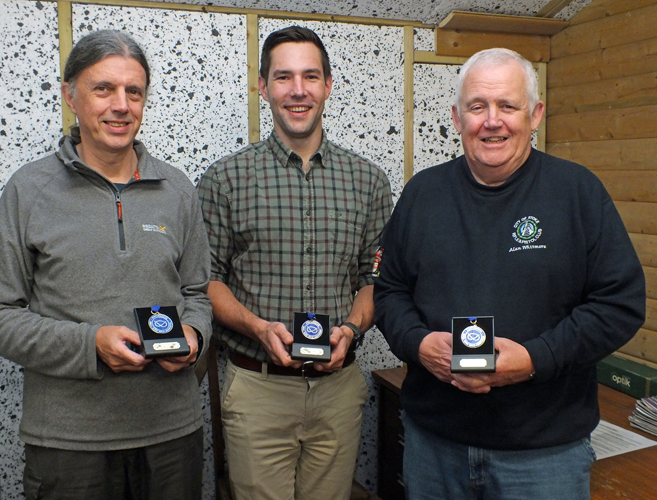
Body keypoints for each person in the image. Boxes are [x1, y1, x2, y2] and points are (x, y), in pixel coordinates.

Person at [373, 48, 646, 500]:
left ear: (535, 114)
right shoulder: (423, 193)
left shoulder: (578, 193)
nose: (492, 121)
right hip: (435, 447)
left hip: (544, 457)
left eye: (508, 106)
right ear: (458, 118)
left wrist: (536, 360)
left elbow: (620, 305)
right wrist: (419, 345)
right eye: (477, 106)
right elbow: (389, 290)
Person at [0, 30, 212, 500]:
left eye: (133, 91)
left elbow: (198, 293)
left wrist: (196, 338)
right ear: (70, 96)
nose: (121, 105)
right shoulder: (29, 190)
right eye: (104, 89)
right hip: (68, 444)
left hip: (170, 436)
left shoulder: (177, 189)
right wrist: (88, 344)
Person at [197, 25, 393, 500]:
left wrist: (350, 328)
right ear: (262, 87)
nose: (298, 90)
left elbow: (374, 280)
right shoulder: (226, 178)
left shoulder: (368, 181)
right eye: (283, 77)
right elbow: (206, 281)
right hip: (258, 389)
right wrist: (259, 328)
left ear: (328, 85)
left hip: (339, 390)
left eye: (310, 76)